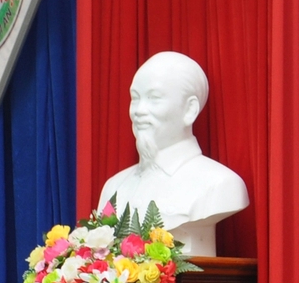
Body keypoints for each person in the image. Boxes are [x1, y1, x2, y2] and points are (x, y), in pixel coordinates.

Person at [96, 51, 249, 255]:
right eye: (135, 98)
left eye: (154, 98)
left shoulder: (221, 184)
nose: (139, 110)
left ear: (190, 110)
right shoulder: (114, 187)